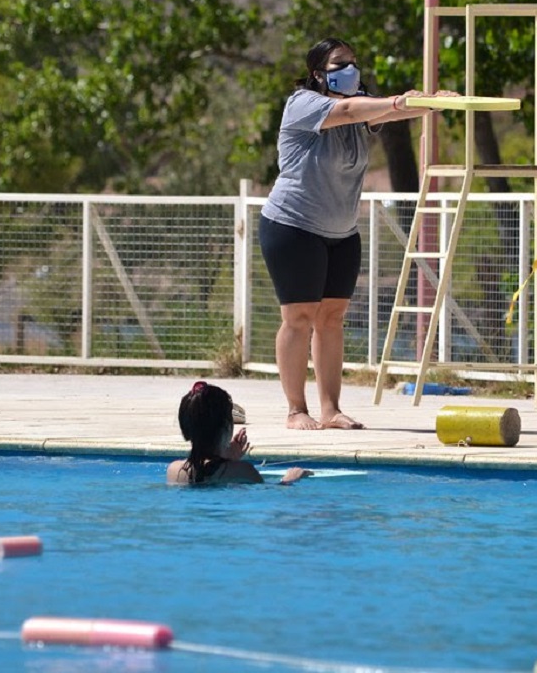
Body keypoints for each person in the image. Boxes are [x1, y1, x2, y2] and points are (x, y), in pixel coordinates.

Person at [260, 37, 457, 430]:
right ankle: (296, 410)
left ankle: (331, 409)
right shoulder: (303, 104)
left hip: (342, 231)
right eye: (339, 63)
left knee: (331, 319)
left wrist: (430, 103)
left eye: (353, 61)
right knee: (298, 318)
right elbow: (349, 109)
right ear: (318, 73)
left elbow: (376, 112)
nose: (350, 69)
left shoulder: (362, 105)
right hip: (292, 225)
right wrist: (401, 101)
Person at [167, 381, 309, 485]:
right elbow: (269, 494)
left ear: (185, 429)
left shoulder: (174, 471)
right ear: (227, 427)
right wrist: (288, 480)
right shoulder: (244, 471)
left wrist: (226, 458)